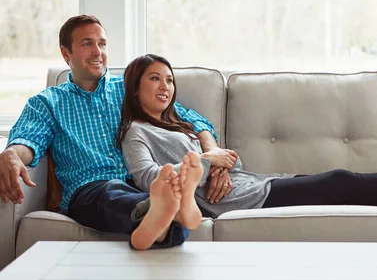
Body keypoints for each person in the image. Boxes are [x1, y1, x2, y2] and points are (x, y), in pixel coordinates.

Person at [118, 54, 377, 218]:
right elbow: (148, 178)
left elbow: (226, 160)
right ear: (135, 88)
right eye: (154, 79)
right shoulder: (137, 133)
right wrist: (209, 162)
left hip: (253, 183)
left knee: (343, 191)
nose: (165, 86)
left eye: (169, 79)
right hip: (238, 202)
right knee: (340, 181)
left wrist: (221, 166)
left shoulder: (177, 123)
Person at [0, 15, 234, 250]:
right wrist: (11, 153)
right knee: (119, 195)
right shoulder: (48, 102)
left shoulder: (129, 89)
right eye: (87, 44)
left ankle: (164, 219)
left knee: (162, 202)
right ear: (66, 53)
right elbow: (29, 141)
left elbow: (190, 119)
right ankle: (166, 212)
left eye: (102, 44)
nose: (97, 51)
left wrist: (213, 152)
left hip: (142, 186)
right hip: (91, 188)